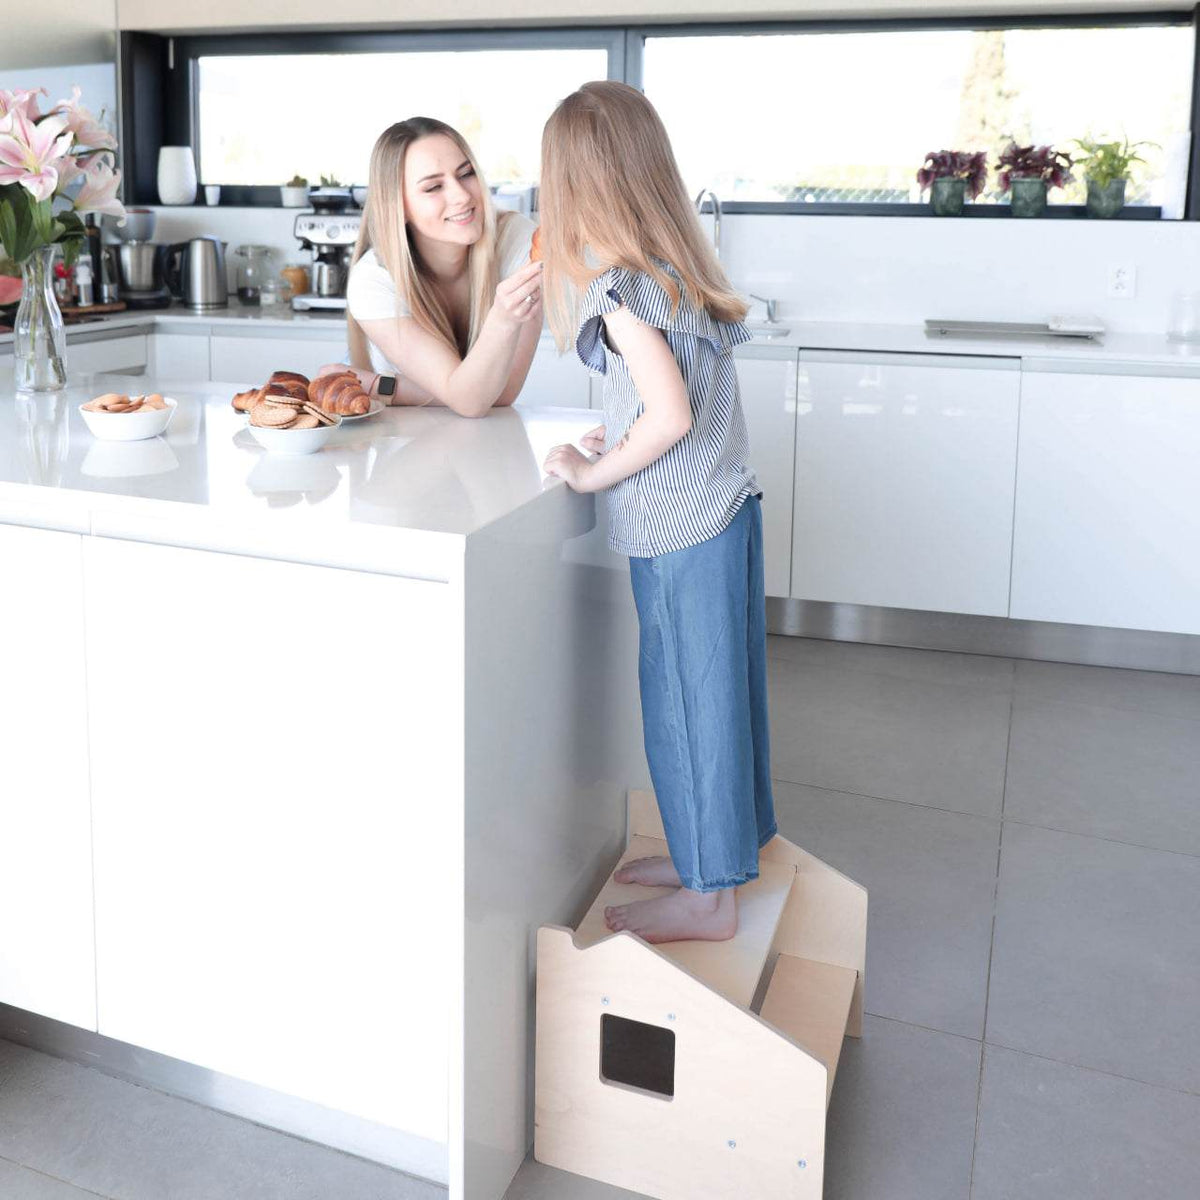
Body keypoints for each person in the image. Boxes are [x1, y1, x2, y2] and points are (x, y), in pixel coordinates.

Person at [539, 81, 777, 945]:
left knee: (683, 703)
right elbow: (682, 405)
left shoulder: (624, 293)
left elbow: (669, 417)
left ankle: (708, 898)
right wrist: (623, 433)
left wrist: (590, 473)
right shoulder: (677, 277)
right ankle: (709, 854)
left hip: (681, 531)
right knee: (723, 699)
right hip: (725, 512)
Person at [318, 117, 544, 416]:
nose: (462, 196)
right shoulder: (374, 279)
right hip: (398, 439)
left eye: (466, 174)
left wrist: (381, 386)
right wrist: (502, 320)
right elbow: (477, 400)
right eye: (433, 187)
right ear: (398, 207)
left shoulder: (518, 242)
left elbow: (501, 395)